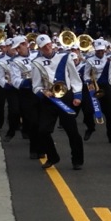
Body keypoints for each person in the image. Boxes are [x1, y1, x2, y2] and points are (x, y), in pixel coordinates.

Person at [31, 34, 84, 170]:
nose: (47, 48)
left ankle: (77, 160)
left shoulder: (65, 57)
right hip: (49, 99)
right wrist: (43, 92)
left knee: (72, 131)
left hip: (65, 97)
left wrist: (77, 95)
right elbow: (36, 86)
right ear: (40, 49)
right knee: (43, 131)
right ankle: (53, 156)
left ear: (52, 44)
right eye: (44, 47)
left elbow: (75, 78)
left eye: (48, 45)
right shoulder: (36, 62)